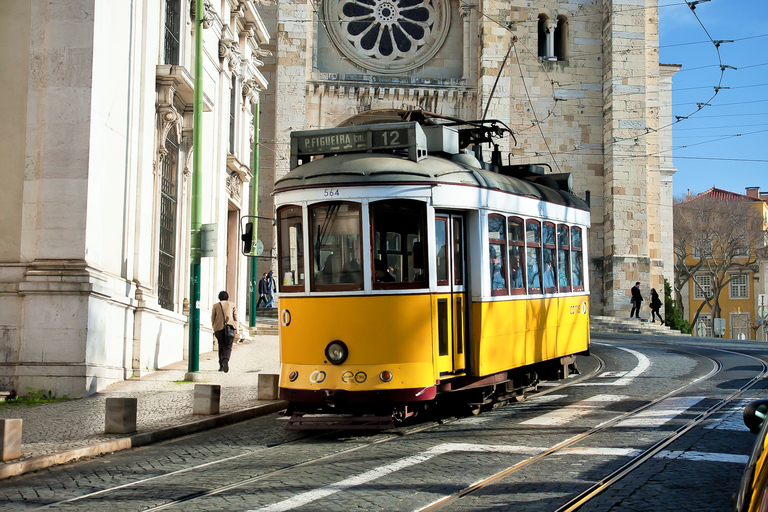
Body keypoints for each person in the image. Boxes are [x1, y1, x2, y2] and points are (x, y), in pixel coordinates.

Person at [211, 291, 237, 372]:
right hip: (229, 327)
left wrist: (214, 326)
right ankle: (226, 358)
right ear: (227, 297)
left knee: (221, 346)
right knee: (228, 346)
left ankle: (221, 365)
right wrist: (235, 326)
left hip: (218, 329)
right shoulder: (232, 305)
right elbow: (235, 317)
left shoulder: (215, 306)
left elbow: (213, 317)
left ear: (219, 297)